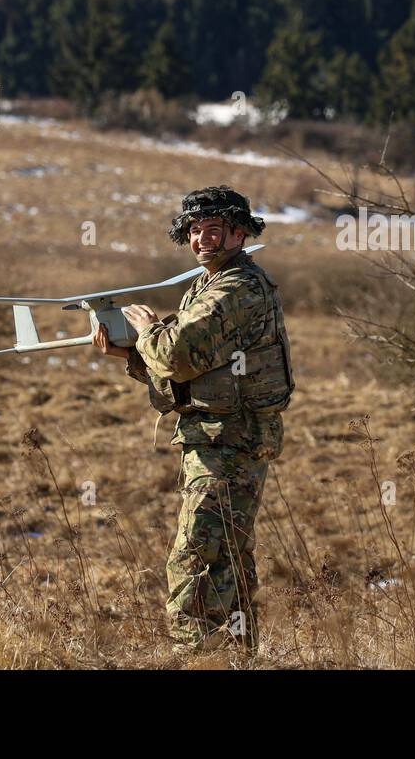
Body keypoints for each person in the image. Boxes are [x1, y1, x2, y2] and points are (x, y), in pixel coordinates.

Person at [92, 186, 293, 654]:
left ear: (240, 234)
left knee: (195, 561)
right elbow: (193, 366)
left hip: (229, 444)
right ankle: (237, 660)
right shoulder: (210, 284)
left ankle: (197, 660)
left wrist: (147, 331)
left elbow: (178, 355)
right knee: (227, 560)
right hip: (217, 440)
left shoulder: (235, 288)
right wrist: (132, 352)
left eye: (215, 230)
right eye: (195, 231)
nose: (202, 239)